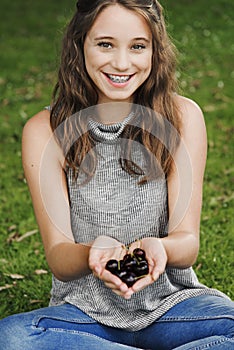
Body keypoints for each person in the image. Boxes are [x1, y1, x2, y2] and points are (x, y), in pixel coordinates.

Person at [0, 1, 233, 349]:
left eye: (138, 46)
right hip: (84, 315)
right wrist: (93, 252)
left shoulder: (183, 116)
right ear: (80, 45)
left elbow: (187, 242)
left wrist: (161, 248)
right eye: (105, 44)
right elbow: (60, 257)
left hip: (172, 306)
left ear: (155, 51)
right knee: (12, 337)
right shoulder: (45, 130)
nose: (122, 63)